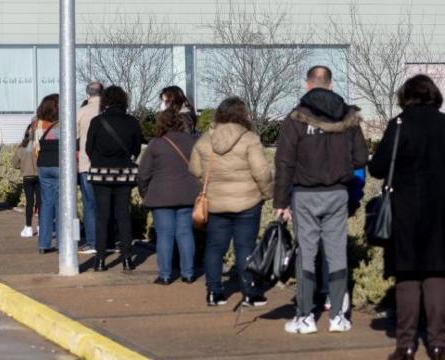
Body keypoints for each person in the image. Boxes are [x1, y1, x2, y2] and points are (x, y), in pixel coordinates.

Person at [274, 66, 368, 334]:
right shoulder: (348, 117)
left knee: (307, 253)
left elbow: (284, 162)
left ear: (307, 85)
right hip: (338, 192)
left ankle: (305, 317)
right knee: (337, 254)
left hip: (305, 194)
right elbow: (361, 158)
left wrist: (280, 200)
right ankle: (338, 316)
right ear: (330, 84)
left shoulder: (296, 118)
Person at [369, 74, 445, 360]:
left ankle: (406, 345)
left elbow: (377, 167)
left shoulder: (398, 125)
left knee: (408, 276)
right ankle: (438, 344)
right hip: (440, 211)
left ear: (406, 96)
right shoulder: (443, 124)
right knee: (437, 273)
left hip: (404, 211)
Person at [189, 97, 273, 307]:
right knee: (245, 247)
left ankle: (214, 292)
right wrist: (266, 193)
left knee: (215, 247)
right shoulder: (250, 139)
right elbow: (262, 171)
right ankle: (250, 293)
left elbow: (195, 169)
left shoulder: (205, 140)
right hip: (247, 201)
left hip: (216, 203)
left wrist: (213, 185)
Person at [138, 110, 200, 285]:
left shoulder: (156, 144)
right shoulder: (193, 142)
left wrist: (144, 192)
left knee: (165, 235)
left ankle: (165, 275)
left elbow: (144, 173)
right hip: (187, 194)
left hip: (161, 195)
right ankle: (188, 273)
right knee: (186, 234)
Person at [86, 85, 143, 272]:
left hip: (101, 173)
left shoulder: (97, 121)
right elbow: (136, 148)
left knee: (102, 216)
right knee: (123, 215)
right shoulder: (132, 122)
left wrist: (100, 159)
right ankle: (127, 258)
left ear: (105, 101)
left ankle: (100, 260)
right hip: (124, 174)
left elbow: (88, 147)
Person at [76, 82, 102, 254]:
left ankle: (92, 242)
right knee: (107, 203)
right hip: (108, 165)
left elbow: (73, 136)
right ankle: (108, 240)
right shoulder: (107, 110)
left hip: (86, 163)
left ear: (88, 94)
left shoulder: (81, 112)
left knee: (90, 204)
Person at [32, 94, 60, 254]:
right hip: (60, 163)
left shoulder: (37, 124)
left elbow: (36, 148)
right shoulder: (64, 123)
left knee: (47, 204)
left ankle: (43, 243)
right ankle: (63, 244)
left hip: (43, 164)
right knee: (63, 205)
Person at [14, 121, 40, 238]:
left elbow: (14, 163)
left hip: (27, 176)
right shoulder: (40, 145)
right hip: (39, 176)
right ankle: (41, 226)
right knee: (41, 202)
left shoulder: (22, 147)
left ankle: (28, 227)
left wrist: (23, 166)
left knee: (29, 202)